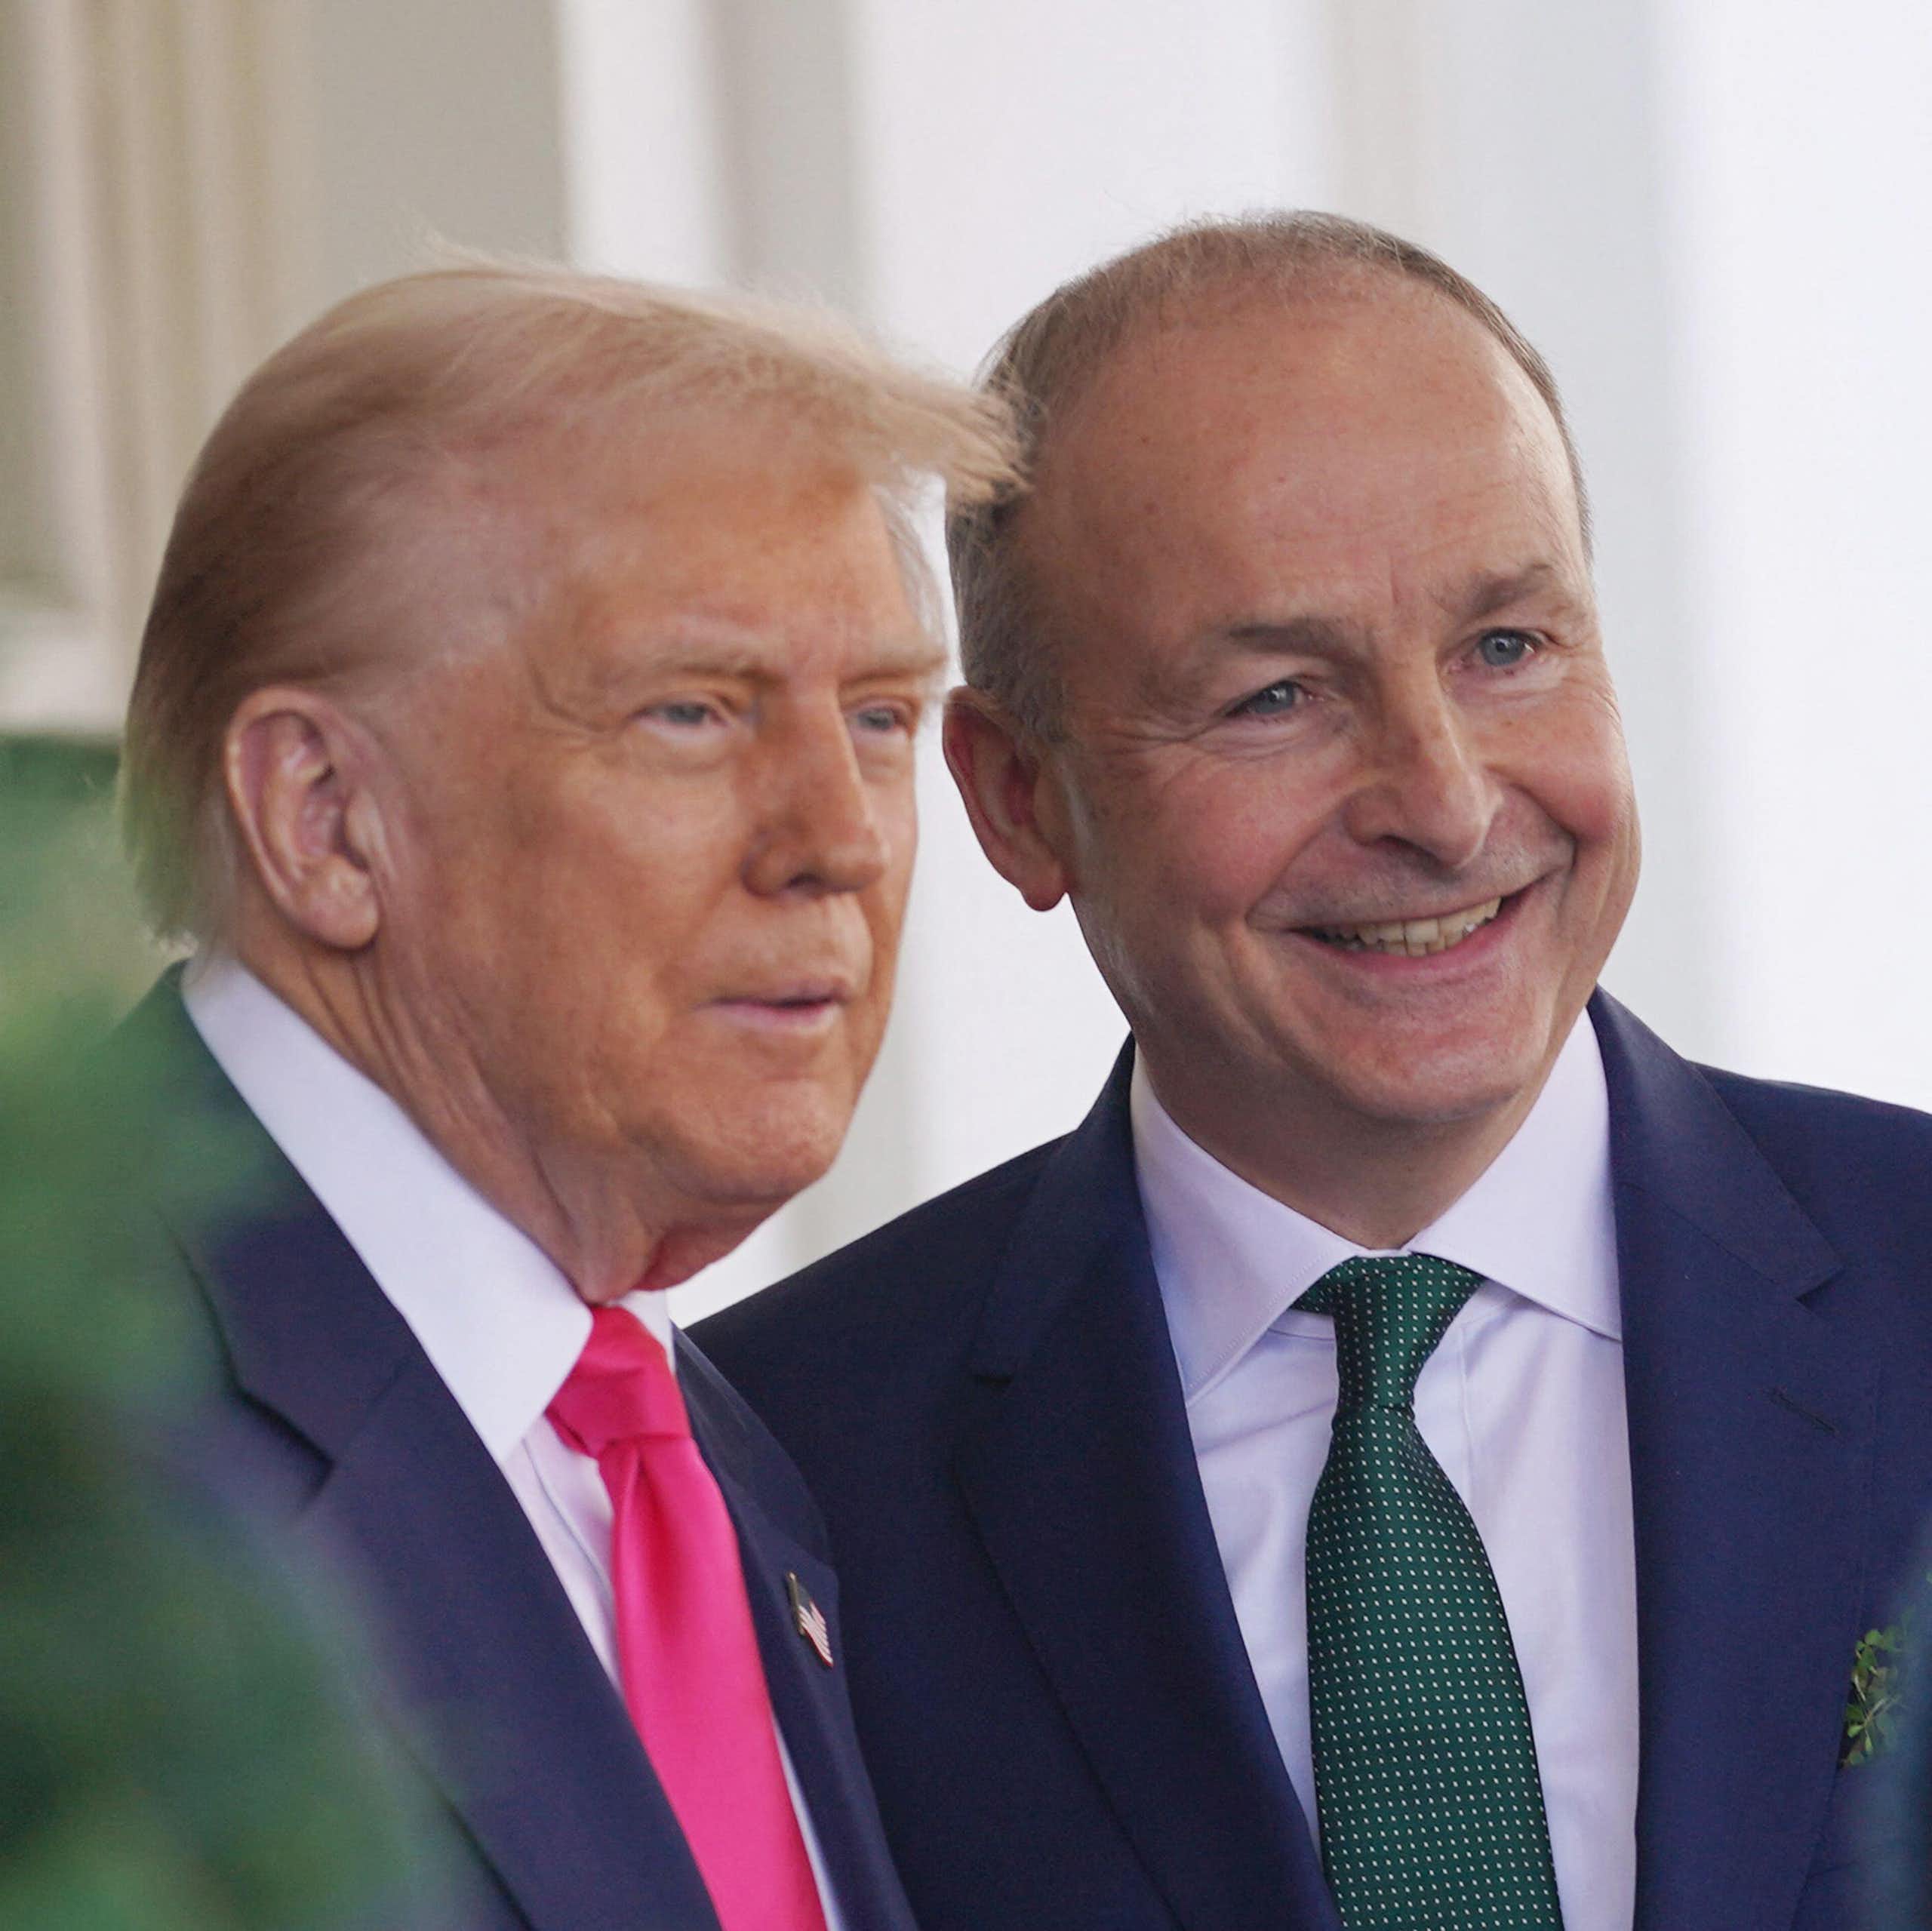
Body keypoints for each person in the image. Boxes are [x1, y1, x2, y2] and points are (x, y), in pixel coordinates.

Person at [697, 214, 1932, 1931]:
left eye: (1507, 647)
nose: (1438, 799)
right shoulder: (766, 1476)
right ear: (1015, 798)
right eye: (1275, 694)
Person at [110, 262, 1017, 1931]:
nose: (840, 833)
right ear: (322, 816)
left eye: (879, 715)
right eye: (692, 712)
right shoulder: (67, 1422)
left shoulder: (708, 1452)